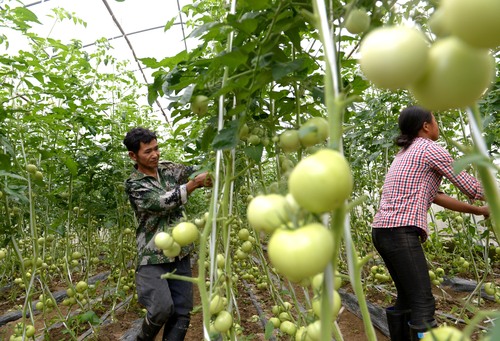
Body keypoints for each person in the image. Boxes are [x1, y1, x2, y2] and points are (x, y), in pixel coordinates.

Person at [371, 106, 489, 341]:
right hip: (400, 233)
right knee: (423, 302)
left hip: (382, 232)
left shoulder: (406, 153)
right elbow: (471, 187)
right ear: (426, 125)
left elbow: (437, 196)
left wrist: (477, 210)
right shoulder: (429, 148)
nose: (437, 125)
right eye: (435, 120)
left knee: (406, 297)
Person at [123, 127, 212, 341]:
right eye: (148, 151)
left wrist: (213, 160)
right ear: (133, 155)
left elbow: (194, 169)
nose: (155, 154)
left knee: (182, 312)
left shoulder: (168, 169)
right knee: (162, 308)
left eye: (156, 148)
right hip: (153, 253)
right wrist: (193, 185)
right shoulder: (135, 184)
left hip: (180, 250)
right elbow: (159, 203)